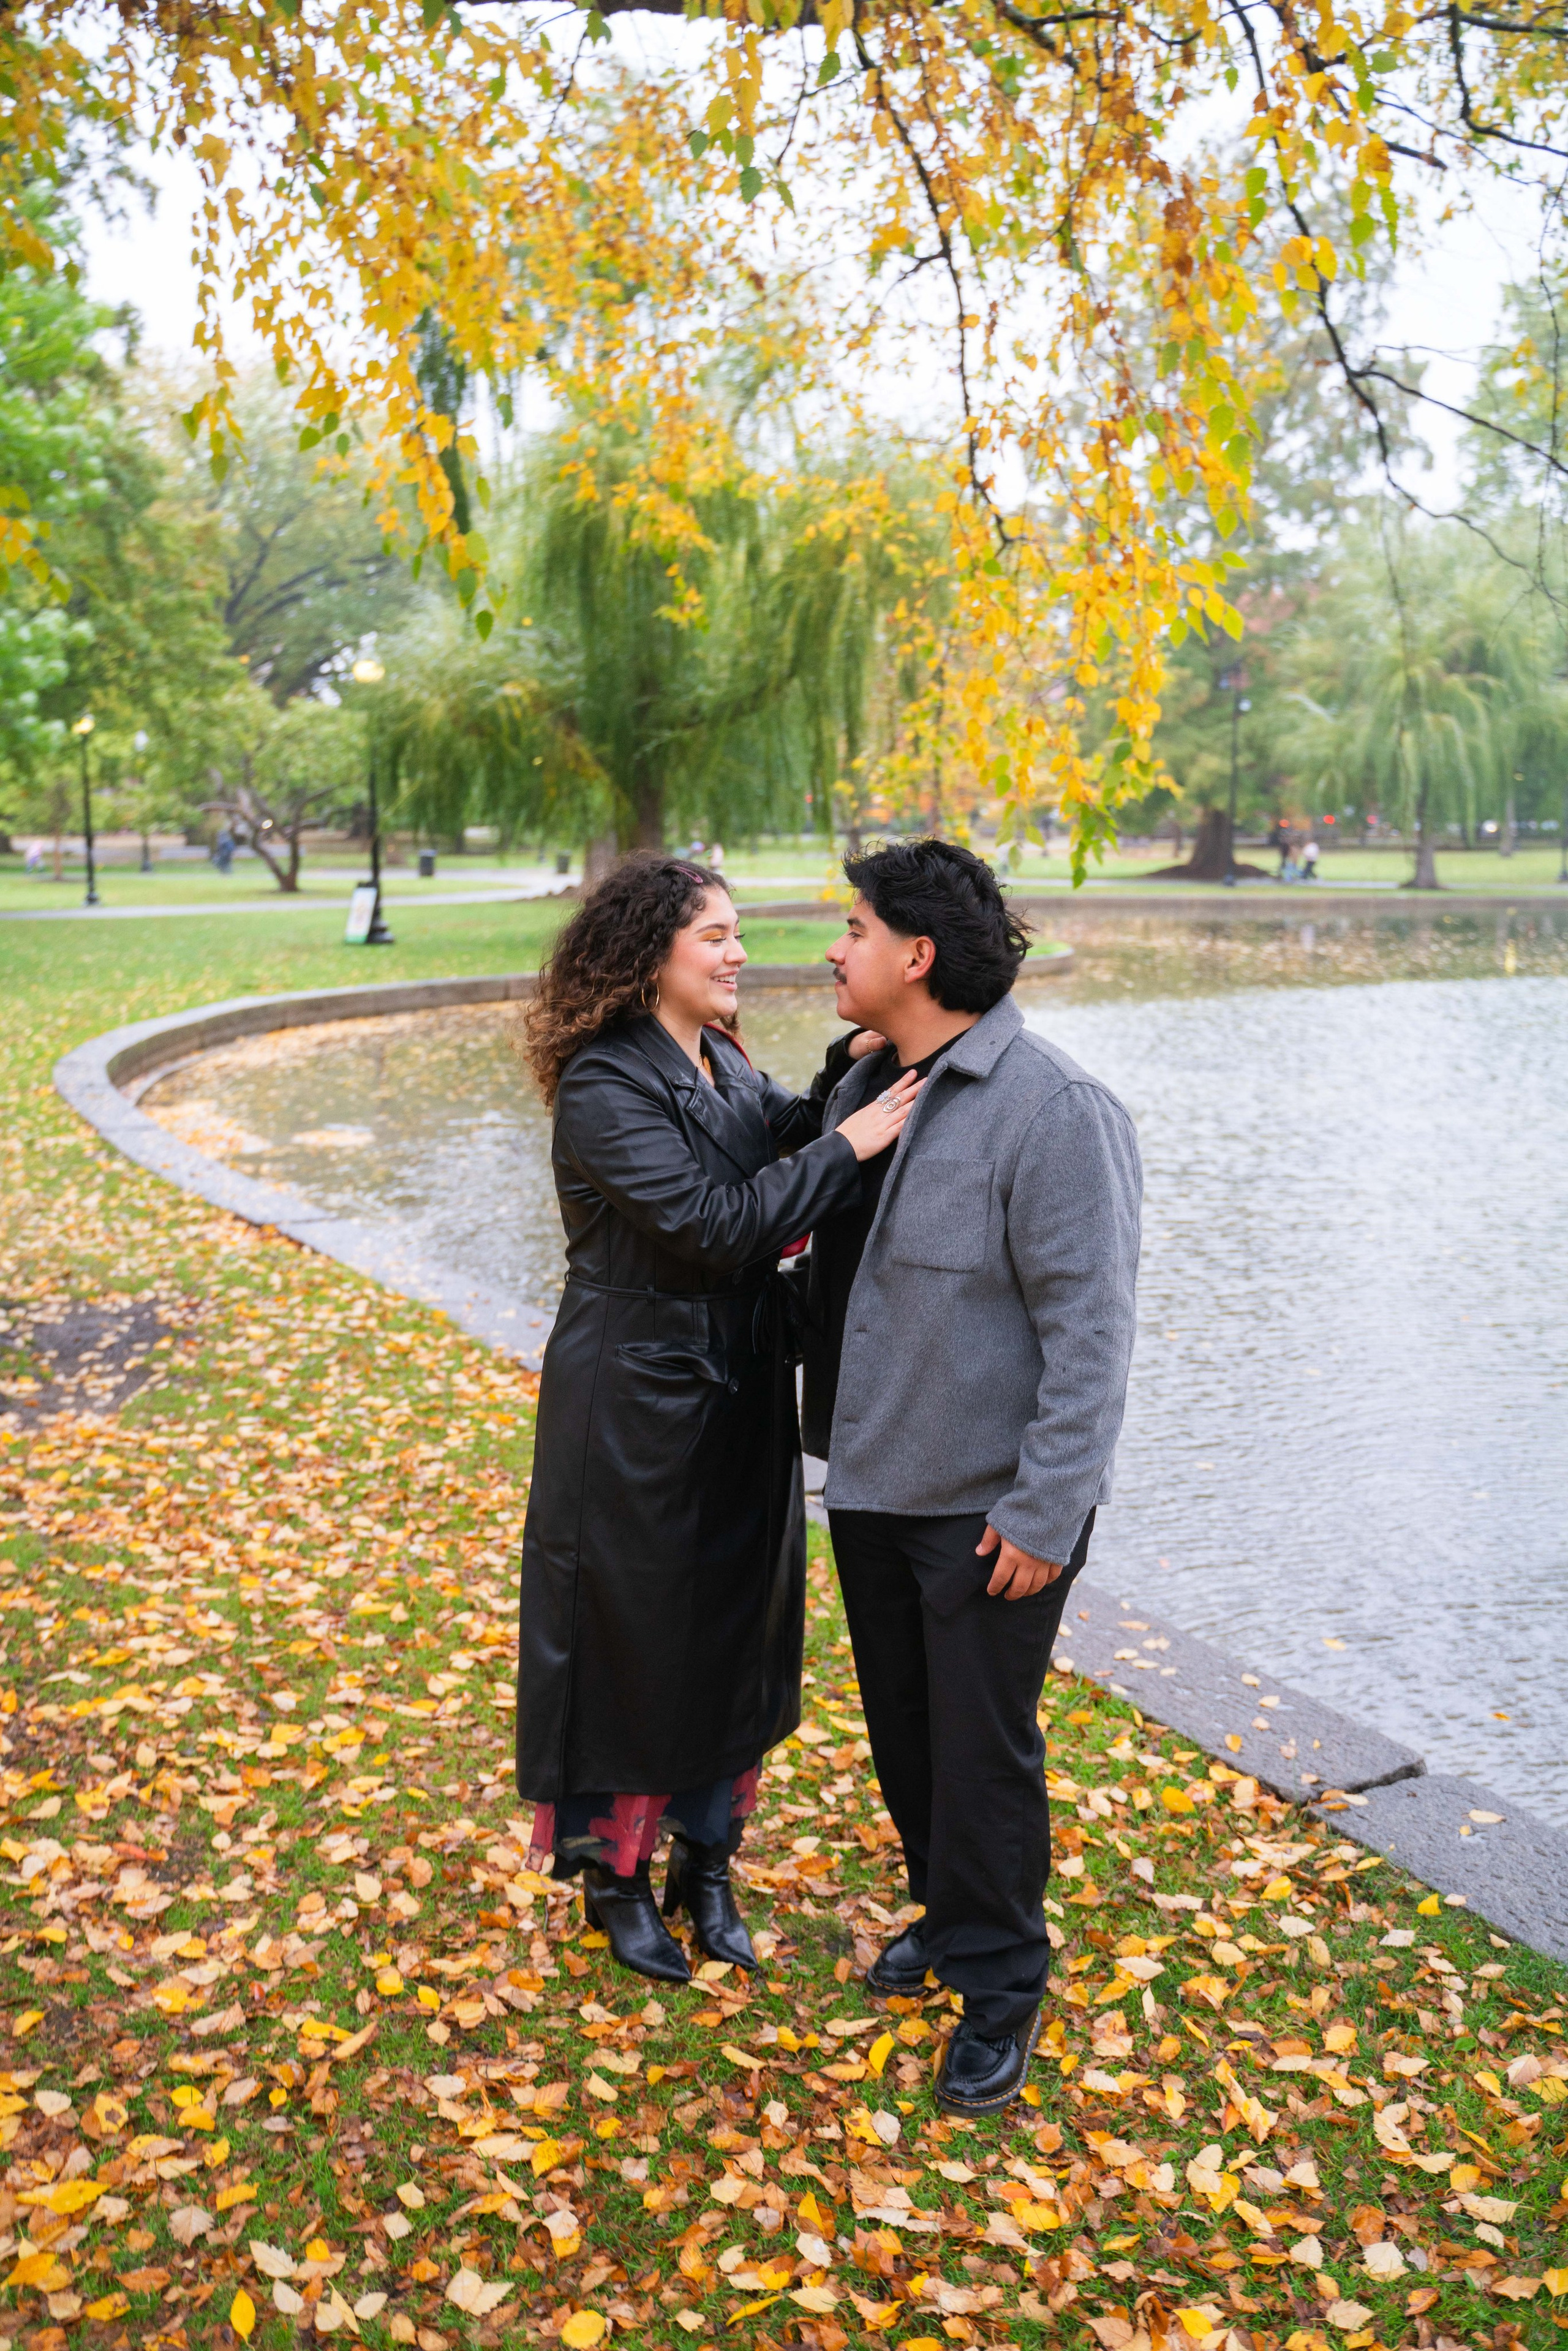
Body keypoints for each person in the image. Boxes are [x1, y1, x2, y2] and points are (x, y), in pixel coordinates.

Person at [514, 855, 916, 1984]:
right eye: (718, 936)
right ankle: (615, 1878)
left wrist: (853, 1066)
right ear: (653, 953)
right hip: (636, 1396)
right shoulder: (605, 1082)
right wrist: (856, 1142)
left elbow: (782, 1129)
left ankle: (709, 1858)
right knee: (637, 1635)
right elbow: (712, 1220)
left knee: (740, 1627)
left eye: (738, 934)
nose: (740, 953)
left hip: (742, 1383)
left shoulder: (719, 1055)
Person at [801, 839, 1142, 2115]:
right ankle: (949, 1918)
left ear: (915, 953)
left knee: (979, 1747)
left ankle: (999, 1983)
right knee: (905, 1733)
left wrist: (1046, 1509)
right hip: (875, 1485)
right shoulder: (872, 1084)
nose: (832, 950)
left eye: (851, 928)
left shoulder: (1053, 1109)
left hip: (991, 1511)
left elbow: (1090, 1333)